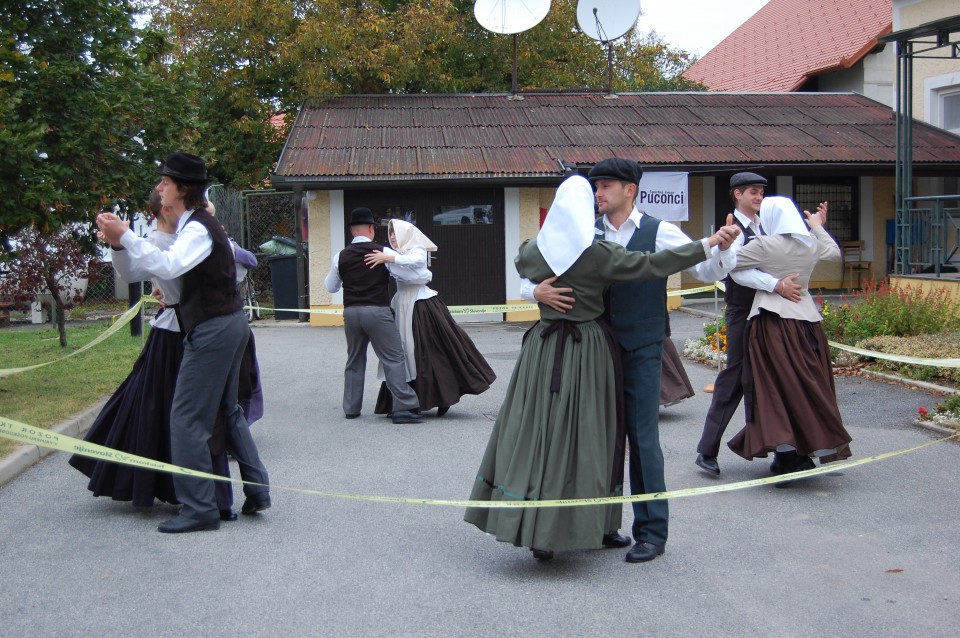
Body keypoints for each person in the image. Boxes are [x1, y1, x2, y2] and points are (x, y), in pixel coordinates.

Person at [464, 175, 740, 561]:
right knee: (588, 438)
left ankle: (645, 531)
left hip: (615, 347)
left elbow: (524, 263)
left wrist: (715, 249)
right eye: (594, 189)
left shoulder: (536, 248)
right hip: (591, 350)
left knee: (611, 438)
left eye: (607, 186)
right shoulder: (594, 248)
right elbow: (653, 265)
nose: (599, 194)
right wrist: (537, 291)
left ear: (630, 189)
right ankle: (581, 526)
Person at [96, 152, 270, 533]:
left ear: (183, 189)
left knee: (187, 419)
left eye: (165, 182)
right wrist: (120, 244)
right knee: (227, 412)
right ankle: (258, 489)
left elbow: (170, 267)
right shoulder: (197, 227)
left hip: (213, 329)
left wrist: (124, 234)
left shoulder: (197, 229)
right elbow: (138, 269)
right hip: (223, 325)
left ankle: (200, 510)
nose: (159, 188)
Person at [726, 196, 851, 475]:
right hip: (808, 324)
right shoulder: (810, 243)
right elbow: (833, 252)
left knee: (775, 389)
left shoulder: (765, 245)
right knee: (806, 387)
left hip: (773, 323)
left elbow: (730, 263)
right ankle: (806, 447)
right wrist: (817, 225)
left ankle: (786, 453)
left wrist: (733, 237)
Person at [694, 173, 802, 476]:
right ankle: (707, 449)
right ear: (737, 194)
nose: (759, 197)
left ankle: (779, 450)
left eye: (761, 193)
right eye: (753, 192)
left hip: (767, 310)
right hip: (743, 311)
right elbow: (738, 273)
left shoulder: (764, 226)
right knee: (736, 377)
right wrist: (776, 284)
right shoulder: (734, 230)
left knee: (768, 379)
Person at [363, 219, 496, 417]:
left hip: (422, 304)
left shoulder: (415, 249)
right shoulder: (391, 254)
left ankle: (443, 396)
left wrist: (389, 259)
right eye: (390, 234)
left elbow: (418, 264)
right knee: (403, 353)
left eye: (395, 233)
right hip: (401, 304)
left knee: (432, 350)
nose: (392, 237)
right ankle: (404, 401)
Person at [323, 207, 422, 424]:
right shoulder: (382, 252)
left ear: (352, 231)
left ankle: (351, 407)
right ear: (370, 229)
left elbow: (330, 287)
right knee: (394, 357)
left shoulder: (340, 256)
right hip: (377, 311)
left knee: (354, 360)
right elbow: (406, 275)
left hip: (351, 313)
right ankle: (403, 407)